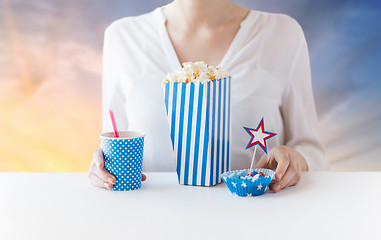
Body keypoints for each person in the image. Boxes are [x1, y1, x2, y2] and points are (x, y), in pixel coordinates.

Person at [88, 0, 329, 192]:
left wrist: (296, 160)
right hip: (151, 221)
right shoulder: (122, 37)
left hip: (255, 222)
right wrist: (103, 167)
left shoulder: (283, 34)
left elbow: (312, 151)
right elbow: (113, 140)